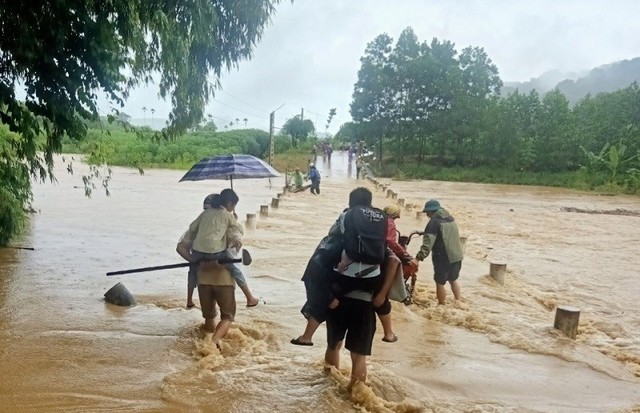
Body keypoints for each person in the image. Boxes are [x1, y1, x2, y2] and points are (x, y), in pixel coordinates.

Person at [291, 187, 397, 346]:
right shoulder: (380, 218)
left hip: (346, 278)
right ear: (370, 202)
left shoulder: (346, 215)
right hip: (373, 278)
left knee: (324, 292)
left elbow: (333, 235)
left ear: (350, 202)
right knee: (381, 295)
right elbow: (390, 252)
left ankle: (307, 337)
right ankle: (389, 333)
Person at [181, 188, 260, 307]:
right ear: (230, 204)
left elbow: (192, 227)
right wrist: (234, 219)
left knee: (193, 269)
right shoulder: (227, 215)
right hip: (215, 254)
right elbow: (238, 231)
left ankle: (189, 300)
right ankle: (249, 297)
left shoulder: (204, 214)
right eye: (234, 206)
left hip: (197, 253)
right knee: (234, 269)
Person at [412, 199, 463, 305]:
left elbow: (427, 245)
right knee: (453, 279)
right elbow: (444, 233)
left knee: (440, 282)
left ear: (431, 212)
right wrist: (424, 232)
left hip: (444, 257)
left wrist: (418, 258)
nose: (427, 216)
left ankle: (441, 305)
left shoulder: (433, 222)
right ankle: (459, 302)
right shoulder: (450, 218)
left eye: (427, 213)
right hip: (457, 255)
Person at [179, 193, 218, 308]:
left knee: (193, 275)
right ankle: (190, 300)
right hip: (201, 258)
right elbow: (181, 247)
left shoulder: (202, 220)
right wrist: (193, 259)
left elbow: (180, 247)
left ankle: (189, 301)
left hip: (198, 257)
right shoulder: (208, 222)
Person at [383, 205, 418, 299]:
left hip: (377, 249)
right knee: (411, 263)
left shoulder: (381, 219)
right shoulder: (390, 222)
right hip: (384, 252)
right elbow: (391, 241)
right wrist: (402, 252)